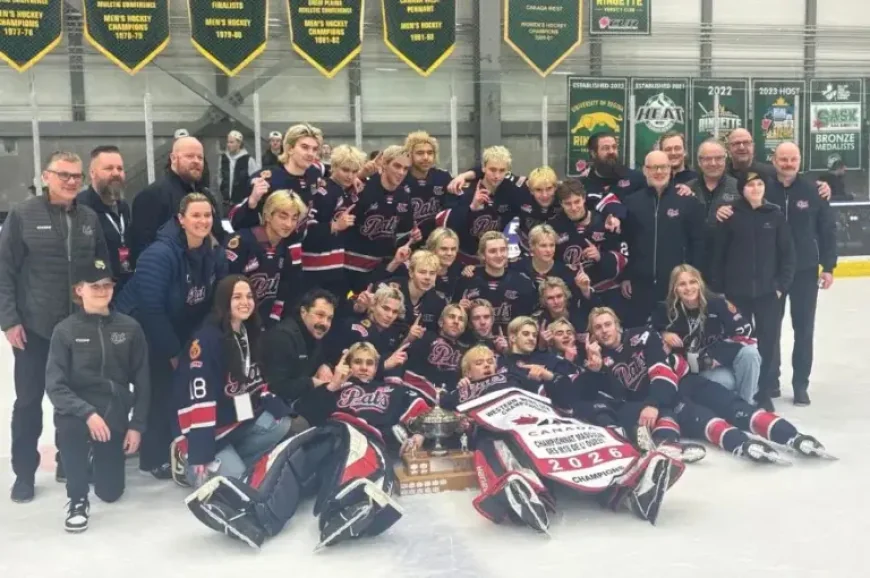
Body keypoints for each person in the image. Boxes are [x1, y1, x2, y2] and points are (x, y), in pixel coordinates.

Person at [184, 341, 430, 550]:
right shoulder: (335, 387)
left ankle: (347, 507)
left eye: (369, 363)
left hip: (365, 436)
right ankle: (256, 514)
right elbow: (302, 413)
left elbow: (423, 413)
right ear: (348, 364)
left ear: (377, 366)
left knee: (359, 455)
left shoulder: (393, 390)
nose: (363, 368)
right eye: (358, 362)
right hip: (328, 431)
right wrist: (332, 386)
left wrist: (418, 435)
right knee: (286, 452)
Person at [445, 345, 684, 532]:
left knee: (584, 434)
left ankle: (630, 483)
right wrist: (459, 400)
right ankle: (523, 491)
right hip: (500, 426)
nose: (487, 366)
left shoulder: (513, 378)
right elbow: (445, 411)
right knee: (492, 444)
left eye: (489, 362)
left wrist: (549, 377)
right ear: (467, 371)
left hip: (542, 420)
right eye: (479, 363)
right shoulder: (461, 391)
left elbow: (558, 396)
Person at [0, 151, 111, 503]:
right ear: (46, 176)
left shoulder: (90, 218)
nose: (70, 182)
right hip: (34, 328)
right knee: (29, 401)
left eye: (76, 176)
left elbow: (102, 268)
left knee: (75, 400)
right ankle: (24, 473)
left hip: (76, 329)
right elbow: (5, 271)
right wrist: (9, 320)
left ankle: (69, 459)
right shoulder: (23, 215)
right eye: (63, 175)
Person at [584, 307, 833, 464]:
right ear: (593, 334)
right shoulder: (600, 361)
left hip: (683, 384)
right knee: (707, 422)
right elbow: (622, 399)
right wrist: (597, 370)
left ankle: (793, 437)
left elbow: (662, 372)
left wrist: (652, 403)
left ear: (617, 324)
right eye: (598, 328)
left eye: (608, 324)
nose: (605, 331)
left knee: (735, 406)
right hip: (668, 403)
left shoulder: (643, 335)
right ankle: (742, 445)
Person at [115, 193, 228, 479]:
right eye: (196, 215)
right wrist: (173, 353)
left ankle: (173, 442)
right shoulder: (159, 254)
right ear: (181, 219)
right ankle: (152, 456)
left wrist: (195, 343)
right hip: (140, 328)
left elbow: (209, 302)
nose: (203, 221)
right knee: (159, 387)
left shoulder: (212, 252)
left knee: (179, 386)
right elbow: (151, 309)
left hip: (176, 325)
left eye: (207, 215)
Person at [45, 259, 150, 532]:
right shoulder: (65, 331)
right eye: (95, 286)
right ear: (79, 290)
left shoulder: (130, 328)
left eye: (107, 285)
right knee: (70, 430)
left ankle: (92, 458)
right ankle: (77, 498)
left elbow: (143, 381)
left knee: (110, 493)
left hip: (113, 411)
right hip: (77, 413)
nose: (102, 291)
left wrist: (136, 426)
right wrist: (87, 413)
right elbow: (55, 386)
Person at [171, 275, 292, 488]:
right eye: (237, 297)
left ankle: (230, 461)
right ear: (224, 301)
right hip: (203, 429)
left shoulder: (248, 332)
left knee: (280, 424)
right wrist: (200, 450)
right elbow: (200, 399)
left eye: (249, 296)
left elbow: (251, 383)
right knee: (235, 486)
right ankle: (190, 462)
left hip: (230, 419)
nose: (245, 302)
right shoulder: (206, 340)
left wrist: (276, 408)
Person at [711, 172, 795, 410]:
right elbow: (720, 255)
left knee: (768, 341)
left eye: (759, 184)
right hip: (737, 294)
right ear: (742, 190)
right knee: (743, 342)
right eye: (750, 185)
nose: (755, 188)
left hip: (769, 294)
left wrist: (781, 286)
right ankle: (745, 386)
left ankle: (764, 390)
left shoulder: (775, 216)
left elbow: (788, 255)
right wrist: (721, 290)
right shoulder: (730, 216)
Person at [766, 142, 838, 406]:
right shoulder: (763, 188)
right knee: (769, 329)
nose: (788, 163)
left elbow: (827, 231)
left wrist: (829, 266)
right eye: (783, 159)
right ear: (774, 160)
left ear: (800, 160)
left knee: (803, 329)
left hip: (805, 271)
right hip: (771, 271)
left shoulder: (814, 191)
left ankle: (800, 385)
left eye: (792, 159)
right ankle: (770, 380)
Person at [652, 265, 761, 405]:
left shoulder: (718, 303)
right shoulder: (665, 310)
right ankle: (731, 401)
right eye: (682, 284)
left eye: (693, 282)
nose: (688, 288)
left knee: (750, 354)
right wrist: (663, 334)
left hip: (722, 365)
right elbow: (647, 336)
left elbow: (747, 334)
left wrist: (716, 356)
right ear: (675, 288)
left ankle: (746, 407)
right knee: (725, 383)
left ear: (700, 283)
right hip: (694, 374)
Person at [621, 150, 706, 327]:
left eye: (663, 167)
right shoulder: (632, 202)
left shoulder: (686, 201)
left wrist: (694, 277)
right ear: (645, 170)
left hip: (675, 286)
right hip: (640, 285)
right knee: (640, 335)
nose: (659, 172)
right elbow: (626, 241)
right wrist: (626, 275)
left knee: (675, 336)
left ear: (670, 169)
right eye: (653, 168)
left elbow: (698, 242)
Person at [131, 136, 224, 264]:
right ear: (173, 158)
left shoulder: (206, 195)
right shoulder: (152, 195)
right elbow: (142, 247)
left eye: (200, 157)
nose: (196, 161)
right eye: (190, 156)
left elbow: (219, 234)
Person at [224, 190, 306, 325]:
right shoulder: (242, 242)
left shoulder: (285, 249)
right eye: (283, 216)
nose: (289, 224)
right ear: (268, 215)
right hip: (233, 321)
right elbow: (223, 286)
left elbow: (283, 291)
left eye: (294, 218)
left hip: (261, 324)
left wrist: (273, 319)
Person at [343, 145, 416, 292]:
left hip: (381, 267)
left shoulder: (404, 196)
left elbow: (403, 231)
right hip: (350, 266)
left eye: (406, 168)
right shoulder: (363, 187)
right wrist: (359, 175)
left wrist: (413, 235)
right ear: (384, 163)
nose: (401, 172)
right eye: (397, 166)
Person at [229, 123, 325, 230]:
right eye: (304, 147)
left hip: (303, 243)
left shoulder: (315, 173)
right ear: (289, 148)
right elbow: (236, 223)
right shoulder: (266, 179)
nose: (310, 153)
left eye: (314, 149)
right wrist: (252, 202)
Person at [260, 289, 338, 407]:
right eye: (320, 315)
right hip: (266, 407)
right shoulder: (282, 338)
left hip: (293, 402)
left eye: (329, 318)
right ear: (303, 312)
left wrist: (324, 365)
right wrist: (311, 383)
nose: (325, 323)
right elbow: (276, 387)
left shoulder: (313, 332)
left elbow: (317, 359)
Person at [76, 145, 135, 291]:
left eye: (120, 169)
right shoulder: (80, 208)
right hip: (97, 292)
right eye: (108, 168)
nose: (116, 173)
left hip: (125, 287)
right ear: (92, 173)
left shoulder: (124, 207)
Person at [455, 231, 537, 332]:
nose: (499, 255)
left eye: (503, 250)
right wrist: (460, 310)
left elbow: (529, 322)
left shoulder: (523, 283)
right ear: (482, 255)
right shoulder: (467, 280)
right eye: (493, 251)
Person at [403, 131, 454, 240]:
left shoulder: (443, 177)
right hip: (407, 242)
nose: (426, 157)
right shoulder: (400, 178)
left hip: (437, 241)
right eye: (420, 153)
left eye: (430, 153)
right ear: (409, 155)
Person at [218, 130, 259, 211]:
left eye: (231, 142)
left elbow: (255, 180)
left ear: (239, 143)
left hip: (242, 203)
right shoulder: (223, 158)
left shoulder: (248, 160)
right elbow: (219, 176)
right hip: (226, 203)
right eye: (228, 142)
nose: (228, 145)